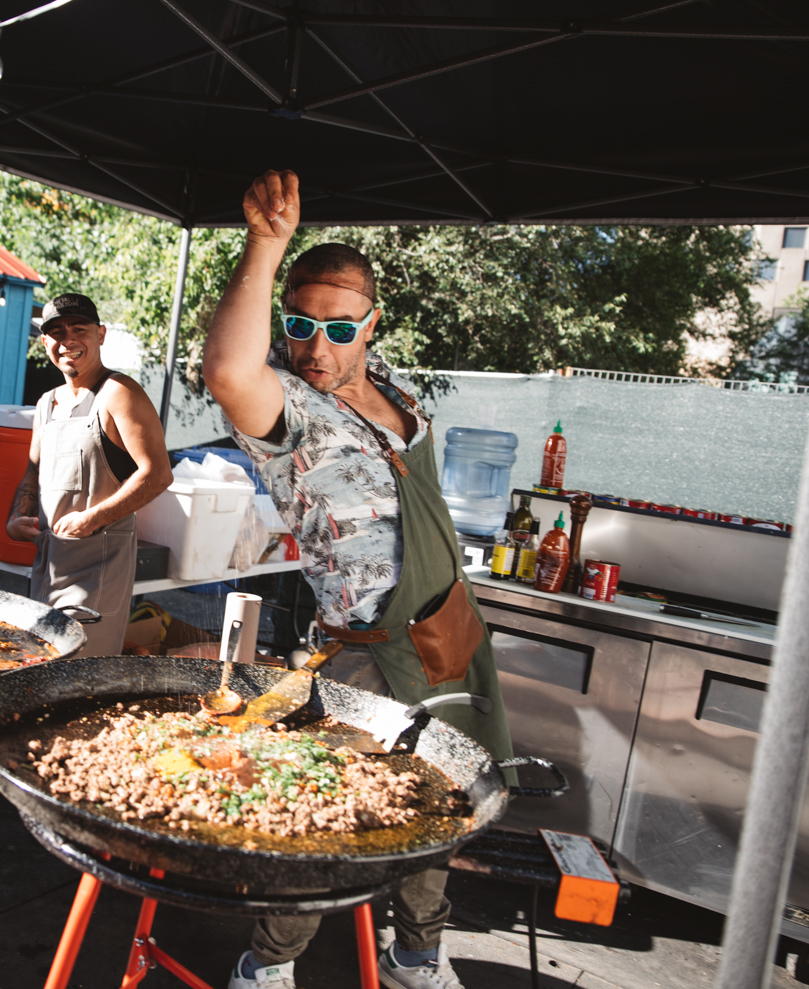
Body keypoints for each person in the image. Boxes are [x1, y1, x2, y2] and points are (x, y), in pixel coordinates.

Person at [202, 171, 513, 989]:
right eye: (299, 325)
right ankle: (266, 968)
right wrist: (264, 245)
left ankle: (417, 956)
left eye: (338, 329)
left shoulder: (403, 403)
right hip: (366, 655)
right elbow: (230, 370)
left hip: (444, 637)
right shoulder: (291, 410)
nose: (316, 348)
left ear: (372, 323)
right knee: (325, 819)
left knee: (433, 803)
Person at [5, 293, 172, 655]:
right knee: (39, 665)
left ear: (101, 334)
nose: (67, 341)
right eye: (56, 332)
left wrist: (93, 518)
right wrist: (17, 517)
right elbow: (32, 472)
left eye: (78, 329)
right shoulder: (46, 403)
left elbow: (157, 474)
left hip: (98, 574)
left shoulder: (119, 394)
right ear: (45, 341)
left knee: (77, 674)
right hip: (47, 567)